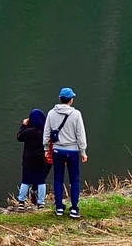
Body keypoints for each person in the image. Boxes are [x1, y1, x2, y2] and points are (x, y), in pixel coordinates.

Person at [43, 87, 88, 218]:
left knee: (58, 179)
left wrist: (46, 149)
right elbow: (80, 134)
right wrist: (83, 151)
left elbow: (47, 133)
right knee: (74, 180)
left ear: (59, 99)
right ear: (71, 100)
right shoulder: (76, 114)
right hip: (73, 151)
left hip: (57, 150)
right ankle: (74, 208)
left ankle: (59, 208)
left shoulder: (51, 113)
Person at [17, 109, 50, 207]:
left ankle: (21, 202)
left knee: (25, 181)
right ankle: (41, 203)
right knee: (41, 181)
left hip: (28, 160)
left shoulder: (29, 131)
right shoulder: (45, 132)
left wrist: (24, 125)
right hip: (41, 159)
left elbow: (19, 137)